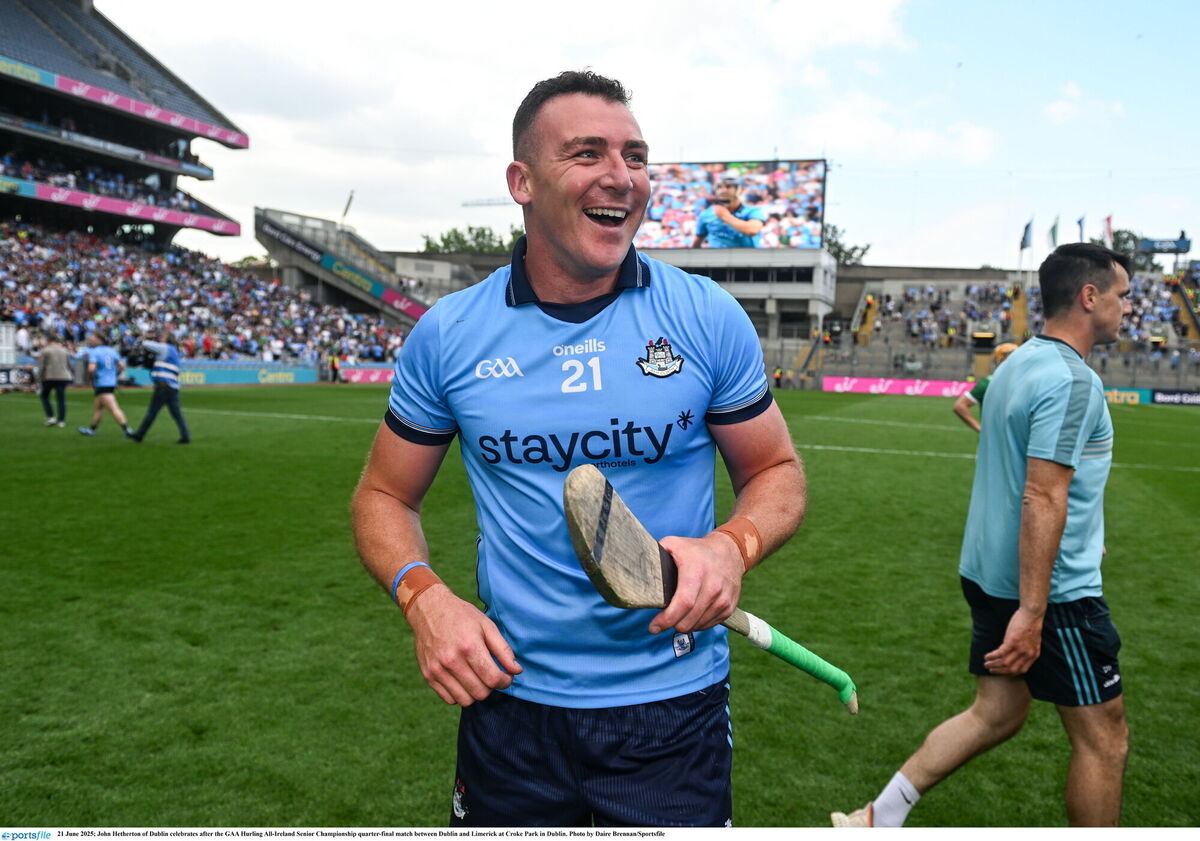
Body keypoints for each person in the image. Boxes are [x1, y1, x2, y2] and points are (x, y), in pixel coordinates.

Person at [352, 70, 805, 828]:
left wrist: (734, 544)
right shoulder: (450, 334)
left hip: (672, 710)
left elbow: (776, 472)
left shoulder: (706, 318)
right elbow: (383, 495)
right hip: (510, 707)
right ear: (522, 182)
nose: (620, 177)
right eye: (588, 154)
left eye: (635, 155)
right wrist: (423, 597)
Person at [832, 242, 1132, 828]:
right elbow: (1041, 495)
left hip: (987, 575)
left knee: (997, 712)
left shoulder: (1016, 364)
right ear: (1089, 296)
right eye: (1122, 295)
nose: (1129, 308)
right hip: (1053, 595)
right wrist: (1034, 610)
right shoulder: (1073, 381)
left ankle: (875, 818)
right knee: (1105, 739)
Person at [128, 329, 191, 444]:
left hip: (163, 386)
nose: (160, 338)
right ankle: (186, 437)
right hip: (173, 387)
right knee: (176, 415)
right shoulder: (174, 351)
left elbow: (146, 344)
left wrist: (145, 337)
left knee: (152, 412)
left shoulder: (164, 348)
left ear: (167, 340)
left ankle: (139, 435)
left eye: (162, 337)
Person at [77, 331, 135, 438]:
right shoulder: (112, 351)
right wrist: (114, 375)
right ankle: (91, 429)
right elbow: (122, 365)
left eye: (93, 338)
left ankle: (127, 430)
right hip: (110, 383)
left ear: (99, 340)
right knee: (99, 407)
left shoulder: (95, 352)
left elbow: (91, 368)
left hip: (101, 383)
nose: (90, 340)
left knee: (113, 408)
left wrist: (89, 379)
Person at [952, 342, 1018, 432]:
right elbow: (960, 406)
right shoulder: (989, 382)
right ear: (1001, 359)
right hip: (995, 440)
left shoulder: (1024, 381)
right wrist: (981, 430)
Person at [691, 176, 766, 248]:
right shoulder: (706, 214)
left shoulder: (753, 211)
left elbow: (752, 230)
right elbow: (697, 241)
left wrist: (725, 216)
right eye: (719, 187)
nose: (723, 190)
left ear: (741, 190)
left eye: (728, 187)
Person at [36, 333, 74, 427]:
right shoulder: (64, 350)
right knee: (61, 398)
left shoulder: (45, 350)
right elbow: (69, 365)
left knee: (45, 396)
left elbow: (42, 366)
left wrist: (39, 378)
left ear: (49, 340)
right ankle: (61, 420)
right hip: (63, 376)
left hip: (49, 376)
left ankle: (51, 417)